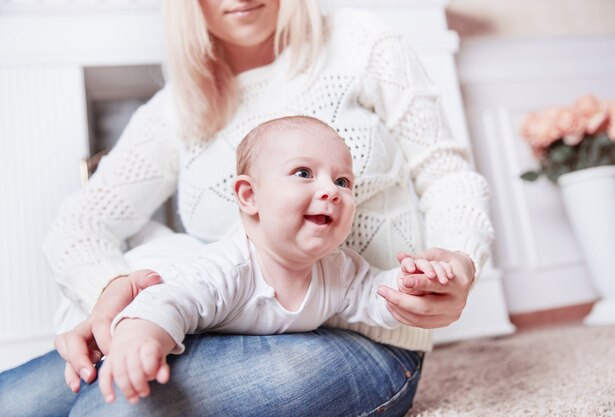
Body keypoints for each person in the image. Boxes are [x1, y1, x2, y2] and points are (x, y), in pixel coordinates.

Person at [0, 1, 494, 416]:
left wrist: (457, 261)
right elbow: (81, 222)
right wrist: (111, 294)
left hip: (369, 343)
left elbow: (446, 174)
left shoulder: (358, 40)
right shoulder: (179, 108)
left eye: (343, 180)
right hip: (213, 325)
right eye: (303, 174)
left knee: (124, 402)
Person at [98, 115, 455, 405]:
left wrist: (412, 282)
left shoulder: (337, 268)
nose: (331, 190)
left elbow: (374, 293)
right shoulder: (230, 267)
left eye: (343, 181)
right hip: (151, 273)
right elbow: (173, 299)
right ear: (249, 196)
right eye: (304, 173)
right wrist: (139, 336)